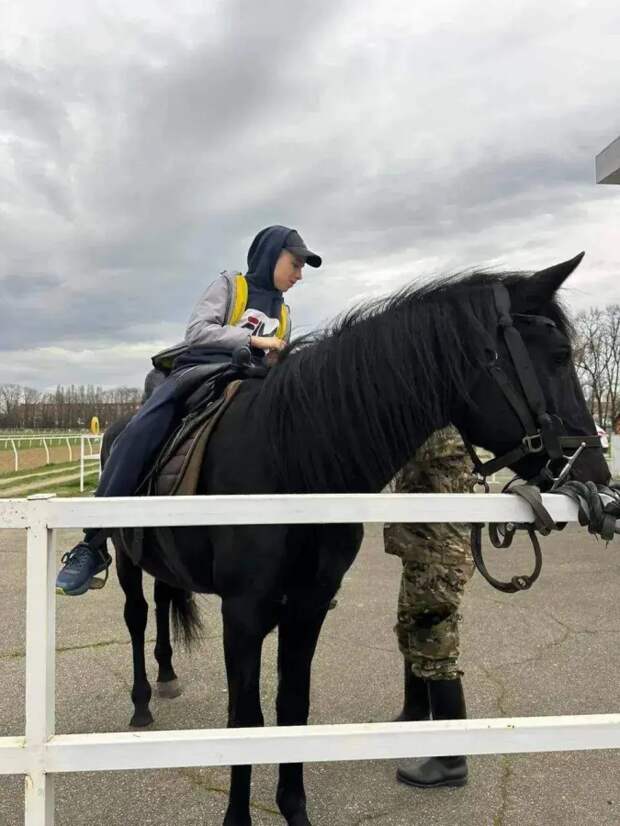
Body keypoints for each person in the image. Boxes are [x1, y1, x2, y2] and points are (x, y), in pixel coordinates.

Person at [56, 225, 321, 597]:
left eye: (302, 268)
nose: (299, 275)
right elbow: (198, 331)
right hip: (202, 369)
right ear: (271, 254)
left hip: (254, 381)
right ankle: (93, 543)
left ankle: (301, 557)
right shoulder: (232, 286)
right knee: (141, 430)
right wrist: (254, 339)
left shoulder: (285, 313)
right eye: (295, 264)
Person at [384, 426, 475, 788]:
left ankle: (451, 760)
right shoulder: (433, 425)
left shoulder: (441, 431)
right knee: (412, 629)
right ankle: (416, 713)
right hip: (422, 547)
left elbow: (394, 446)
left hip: (440, 552)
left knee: (435, 645)